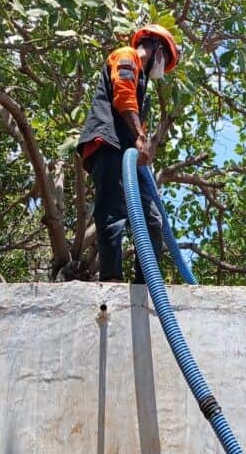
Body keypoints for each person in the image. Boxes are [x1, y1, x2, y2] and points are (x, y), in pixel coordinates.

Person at [77, 24, 180, 282]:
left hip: (127, 157)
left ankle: (147, 285)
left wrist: (139, 143)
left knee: (153, 221)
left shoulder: (144, 84)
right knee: (113, 213)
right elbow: (123, 96)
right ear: (157, 48)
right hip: (108, 145)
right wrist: (140, 137)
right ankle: (111, 279)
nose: (162, 67)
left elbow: (133, 111)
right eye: (165, 59)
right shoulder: (126, 55)